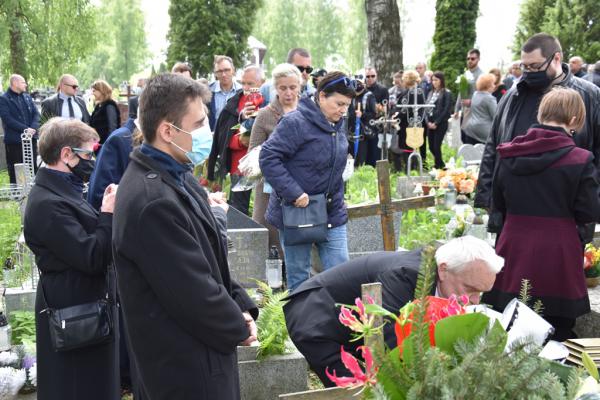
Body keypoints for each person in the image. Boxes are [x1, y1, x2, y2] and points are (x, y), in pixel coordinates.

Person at [112, 73, 258, 400]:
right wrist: (238, 325)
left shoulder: (179, 176)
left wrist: (241, 306)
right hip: (184, 370)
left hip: (200, 357)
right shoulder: (152, 201)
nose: (207, 131)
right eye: (199, 123)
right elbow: (192, 291)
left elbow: (209, 259)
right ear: (167, 130)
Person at [284, 236, 503, 387]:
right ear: (444, 269)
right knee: (354, 392)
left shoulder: (439, 271)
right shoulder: (407, 275)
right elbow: (389, 339)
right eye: (470, 289)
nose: (473, 300)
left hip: (347, 321)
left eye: (481, 293)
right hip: (316, 316)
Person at [482, 87, 600, 341]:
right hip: (558, 253)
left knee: (509, 327)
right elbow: (589, 211)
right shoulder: (579, 160)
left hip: (513, 247)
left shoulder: (508, 153)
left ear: (542, 113)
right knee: (558, 330)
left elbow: (498, 203)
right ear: (573, 121)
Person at [24, 118, 119, 400]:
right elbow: (92, 256)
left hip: (85, 306)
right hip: (74, 313)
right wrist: (108, 214)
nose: (92, 160)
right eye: (87, 154)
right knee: (77, 387)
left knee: (94, 384)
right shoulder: (47, 203)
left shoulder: (61, 189)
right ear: (66, 154)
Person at [475, 33, 600, 246]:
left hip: (564, 214)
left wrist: (590, 206)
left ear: (557, 58)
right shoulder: (513, 95)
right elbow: (493, 144)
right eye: (525, 67)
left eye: (535, 66)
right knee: (518, 277)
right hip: (515, 214)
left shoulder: (588, 96)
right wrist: (487, 198)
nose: (529, 73)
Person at [260, 71, 355, 291]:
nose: (343, 110)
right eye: (339, 103)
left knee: (341, 276)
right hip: (298, 211)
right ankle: (303, 324)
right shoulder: (295, 122)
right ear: (322, 96)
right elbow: (269, 157)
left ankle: (339, 322)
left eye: (347, 105)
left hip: (331, 211)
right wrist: (294, 192)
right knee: (300, 280)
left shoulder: (337, 122)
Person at [249, 63, 301, 252]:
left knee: (301, 235)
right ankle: (274, 277)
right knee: (269, 239)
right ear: (275, 88)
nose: (288, 92)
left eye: (293, 87)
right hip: (269, 188)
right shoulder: (264, 115)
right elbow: (252, 153)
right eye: (283, 88)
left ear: (300, 87)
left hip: (302, 186)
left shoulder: (309, 112)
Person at [207, 65, 265, 215]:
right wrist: (240, 140)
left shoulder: (269, 102)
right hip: (239, 168)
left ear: (262, 82)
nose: (246, 87)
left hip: (265, 167)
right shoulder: (235, 102)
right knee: (239, 211)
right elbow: (224, 138)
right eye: (243, 83)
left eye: (250, 83)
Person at [0, 74, 40, 184]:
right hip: (15, 141)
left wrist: (32, 128)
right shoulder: (3, 99)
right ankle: (18, 196)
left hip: (31, 139)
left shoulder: (27, 97)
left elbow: (36, 114)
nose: (26, 85)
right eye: (23, 82)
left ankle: (33, 191)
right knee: (16, 168)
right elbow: (7, 119)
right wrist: (25, 129)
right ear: (15, 83)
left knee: (32, 166)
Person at [391, 70, 426, 172]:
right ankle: (409, 168)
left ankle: (411, 169)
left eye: (404, 78)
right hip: (406, 123)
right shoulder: (408, 91)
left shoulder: (416, 92)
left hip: (411, 124)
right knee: (407, 147)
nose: (402, 81)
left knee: (410, 146)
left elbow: (407, 109)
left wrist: (397, 117)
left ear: (408, 79)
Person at [452, 49, 483, 142]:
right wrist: (456, 109)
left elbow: (484, 96)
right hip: (464, 113)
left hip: (475, 114)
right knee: (464, 138)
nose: (470, 60)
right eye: (468, 58)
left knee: (471, 141)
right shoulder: (465, 74)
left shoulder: (481, 75)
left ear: (478, 59)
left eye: (472, 58)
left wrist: (471, 102)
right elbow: (461, 93)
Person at [347, 80, 378, 166]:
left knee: (362, 157)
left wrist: (362, 115)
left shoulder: (369, 96)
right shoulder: (351, 95)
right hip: (352, 131)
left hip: (364, 132)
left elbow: (374, 114)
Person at [426, 71, 452, 169]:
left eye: (436, 80)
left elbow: (446, 110)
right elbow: (426, 108)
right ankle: (441, 164)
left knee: (437, 146)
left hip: (440, 124)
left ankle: (438, 166)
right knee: (431, 146)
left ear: (441, 80)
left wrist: (436, 122)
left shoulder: (446, 93)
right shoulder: (430, 93)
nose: (434, 82)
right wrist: (427, 122)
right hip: (430, 122)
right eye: (432, 80)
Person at [462, 73, 497, 145]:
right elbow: (496, 116)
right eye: (493, 83)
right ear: (488, 85)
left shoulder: (475, 94)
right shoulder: (489, 98)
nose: (494, 86)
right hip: (484, 132)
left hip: (471, 128)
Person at [209, 55, 242, 129]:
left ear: (233, 70)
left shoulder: (242, 92)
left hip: (234, 136)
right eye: (220, 71)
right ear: (215, 73)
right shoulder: (208, 92)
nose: (223, 74)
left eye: (227, 70)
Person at [89, 80, 121, 144]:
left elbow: (112, 128)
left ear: (101, 91)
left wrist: (108, 145)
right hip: (98, 142)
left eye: (94, 91)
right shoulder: (99, 105)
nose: (93, 93)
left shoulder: (109, 105)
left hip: (106, 144)